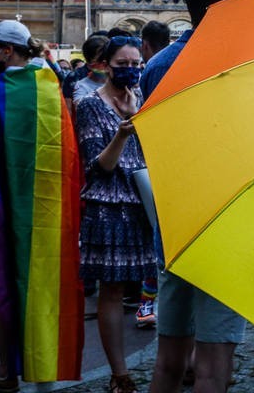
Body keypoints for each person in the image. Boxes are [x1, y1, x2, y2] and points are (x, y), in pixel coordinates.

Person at [142, 0, 248, 393]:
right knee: (213, 363)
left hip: (175, 223)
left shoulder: (157, 67)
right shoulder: (244, 65)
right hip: (227, 224)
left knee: (168, 361)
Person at [0, 20, 84, 390]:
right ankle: (37, 375)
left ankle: (9, 373)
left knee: (7, 288)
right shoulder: (49, 88)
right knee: (46, 285)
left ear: (7, 51)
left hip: (5, 210)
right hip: (49, 211)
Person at [75, 35, 156, 393]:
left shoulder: (140, 98)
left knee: (141, 289)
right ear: (105, 65)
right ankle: (119, 373)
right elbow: (98, 167)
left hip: (140, 205)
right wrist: (123, 134)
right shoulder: (91, 104)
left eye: (135, 64)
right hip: (108, 209)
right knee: (111, 292)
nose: (131, 70)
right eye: (122, 65)